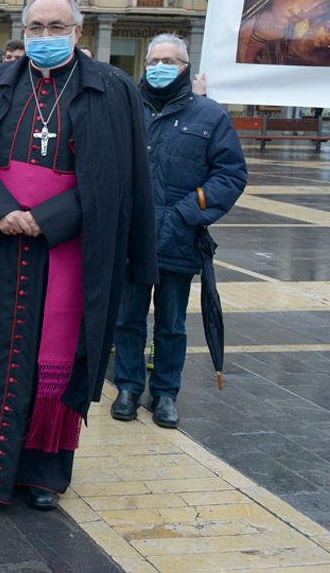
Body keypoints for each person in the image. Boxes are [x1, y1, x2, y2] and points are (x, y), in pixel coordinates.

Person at [0, 0, 156, 511]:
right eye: (35, 27)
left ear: (78, 32)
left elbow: (115, 182)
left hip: (69, 248)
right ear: (23, 30)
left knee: (52, 356)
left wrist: (48, 219)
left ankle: (40, 474)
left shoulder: (112, 90)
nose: (45, 36)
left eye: (57, 26)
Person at [112, 34, 247, 428]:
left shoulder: (210, 116)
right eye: (153, 60)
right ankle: (128, 386)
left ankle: (166, 392)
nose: (158, 67)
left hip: (179, 237)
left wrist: (189, 211)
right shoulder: (126, 110)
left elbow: (232, 173)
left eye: (168, 60)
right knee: (128, 318)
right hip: (132, 236)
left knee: (171, 323)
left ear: (186, 67)